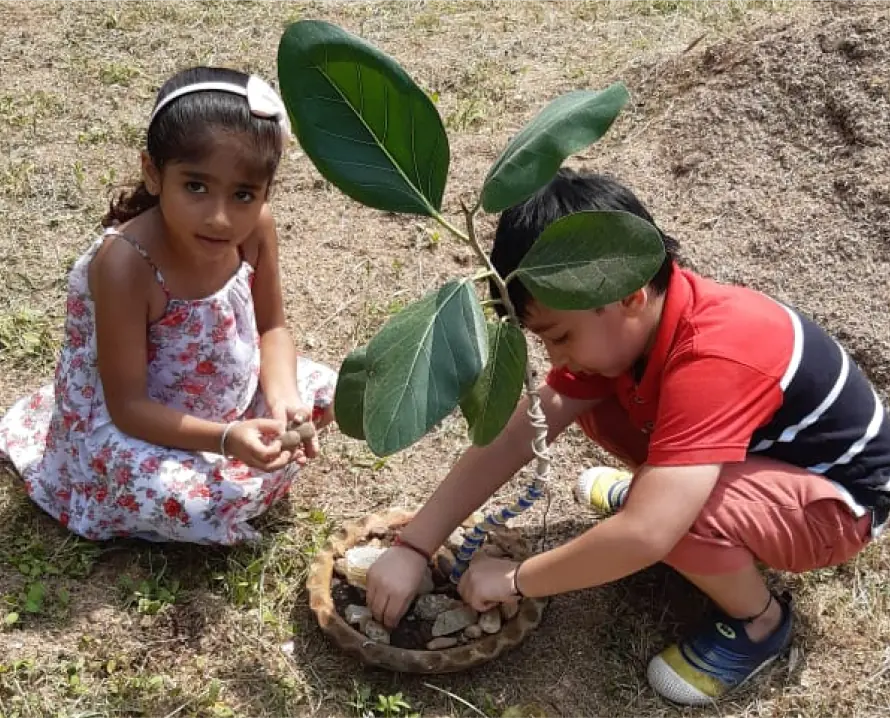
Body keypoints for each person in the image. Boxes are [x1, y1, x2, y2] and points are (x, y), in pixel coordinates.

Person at [365, 168, 890, 705]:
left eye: (561, 336)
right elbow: (526, 426)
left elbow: (647, 536)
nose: (555, 356)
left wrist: (518, 578)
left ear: (629, 296)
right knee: (585, 406)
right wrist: (415, 543)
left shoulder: (718, 352)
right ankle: (667, 494)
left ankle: (760, 621)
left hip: (840, 499)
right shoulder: (633, 328)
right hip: (756, 458)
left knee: (671, 523)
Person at [0, 66, 337, 545]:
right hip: (141, 423)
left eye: (243, 194)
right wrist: (225, 440)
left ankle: (245, 458)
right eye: (196, 187)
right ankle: (228, 480)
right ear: (153, 174)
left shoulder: (257, 227)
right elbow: (129, 407)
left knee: (328, 393)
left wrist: (284, 400)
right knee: (192, 502)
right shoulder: (125, 263)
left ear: (264, 192)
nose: (220, 218)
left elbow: (273, 328)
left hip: (229, 396)